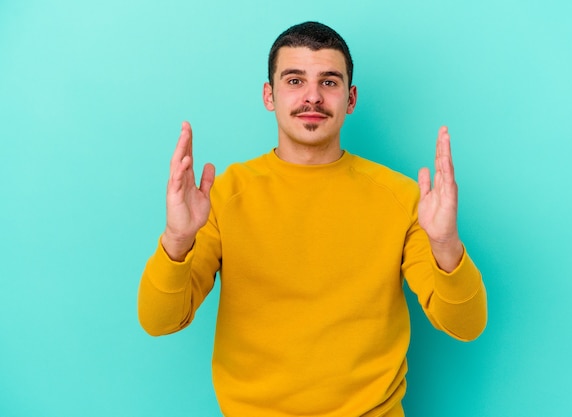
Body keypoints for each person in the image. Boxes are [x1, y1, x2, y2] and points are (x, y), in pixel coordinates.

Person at [138, 21, 487, 417]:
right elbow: (159, 320)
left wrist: (445, 245)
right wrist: (177, 239)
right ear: (269, 95)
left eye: (329, 82)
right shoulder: (221, 195)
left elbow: (467, 325)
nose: (312, 97)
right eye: (294, 80)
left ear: (350, 98)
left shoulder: (402, 197)